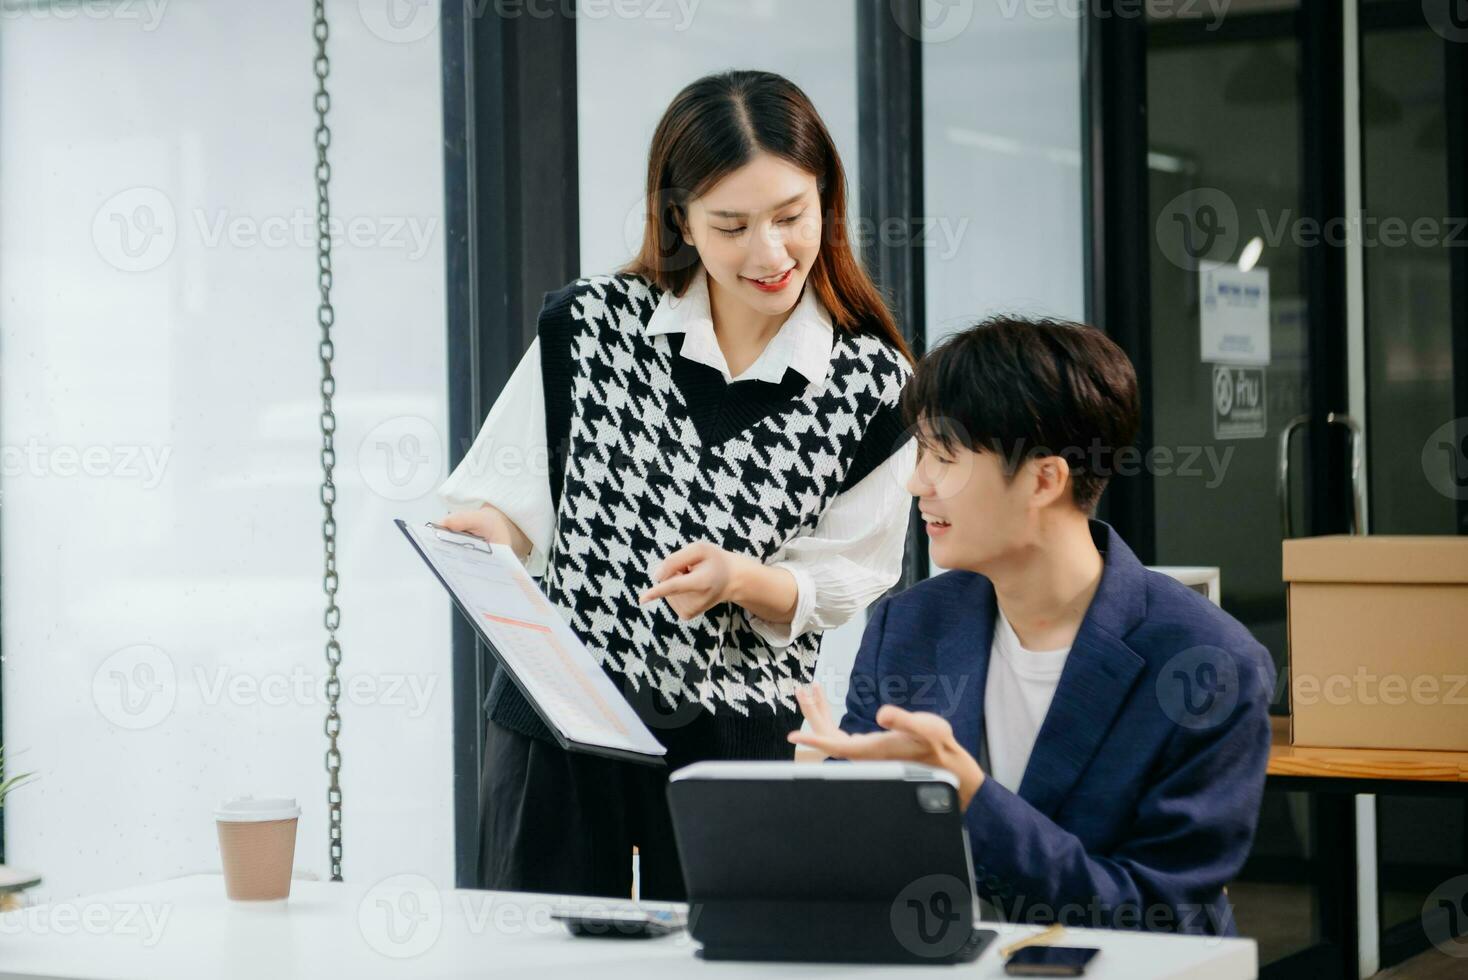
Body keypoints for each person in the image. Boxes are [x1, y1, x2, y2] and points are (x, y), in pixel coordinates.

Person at [437, 70, 916, 901]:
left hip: (737, 728)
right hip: (561, 712)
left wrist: (741, 579)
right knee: (539, 959)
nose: (769, 254)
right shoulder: (592, 327)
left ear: (826, 203)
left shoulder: (873, 384)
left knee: (720, 954)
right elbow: (513, 504)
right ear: (679, 220)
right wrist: (487, 534)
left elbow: (856, 572)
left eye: (791, 217)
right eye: (731, 225)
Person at [790, 315, 1275, 936]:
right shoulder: (909, 626)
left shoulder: (1208, 663)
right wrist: (823, 800)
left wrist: (969, 796)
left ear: (1045, 479)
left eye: (944, 457)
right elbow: (865, 863)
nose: (917, 483)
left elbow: (1156, 914)